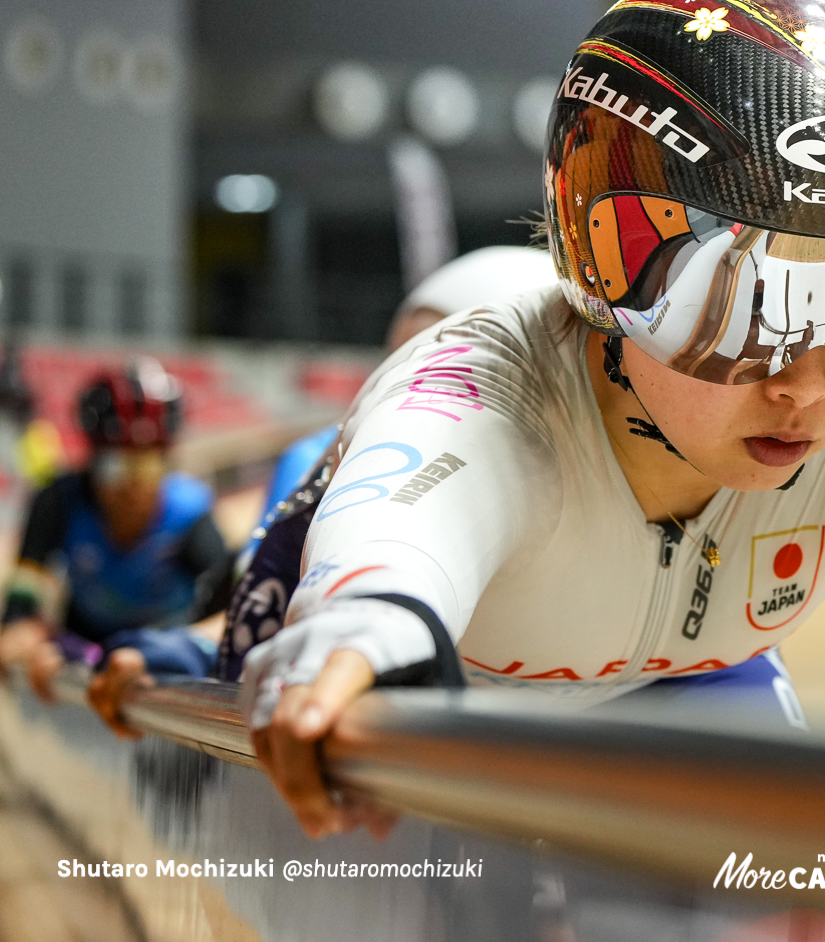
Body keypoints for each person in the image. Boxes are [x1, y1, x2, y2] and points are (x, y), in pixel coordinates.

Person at [240, 0, 825, 838]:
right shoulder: (485, 384)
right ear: (608, 265)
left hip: (682, 681)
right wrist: (367, 626)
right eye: (753, 306)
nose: (807, 382)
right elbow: (385, 573)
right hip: (470, 703)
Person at [83, 246, 558, 736]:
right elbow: (270, 597)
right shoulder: (321, 457)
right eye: (401, 363)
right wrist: (189, 649)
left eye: (448, 368)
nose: (413, 390)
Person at [0, 360, 228, 702]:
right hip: (83, 639)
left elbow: (228, 613)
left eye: (148, 465)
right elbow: (23, 598)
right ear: (91, 462)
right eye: (114, 466)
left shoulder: (190, 514)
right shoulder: (59, 502)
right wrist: (24, 631)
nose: (132, 487)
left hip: (162, 647)